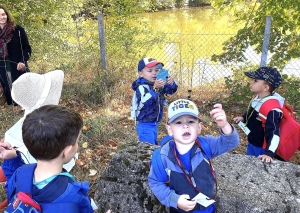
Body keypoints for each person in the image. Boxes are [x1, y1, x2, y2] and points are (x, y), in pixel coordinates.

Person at [148, 99, 239, 213]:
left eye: (191, 122)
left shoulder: (206, 145)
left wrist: (224, 125)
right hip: (179, 210)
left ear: (199, 127)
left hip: (208, 208)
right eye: (178, 122)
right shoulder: (162, 157)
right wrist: (174, 199)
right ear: (170, 129)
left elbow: (230, 142)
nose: (185, 126)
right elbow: (156, 182)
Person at [0, 105, 95, 212]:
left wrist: (12, 160)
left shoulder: (21, 173)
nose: (77, 145)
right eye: (77, 141)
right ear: (67, 151)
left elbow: (14, 192)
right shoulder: (74, 196)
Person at [233, 67, 284, 163]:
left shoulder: (272, 109)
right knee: (249, 164)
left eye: (255, 80)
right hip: (252, 141)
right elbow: (251, 112)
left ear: (265, 87)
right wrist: (243, 118)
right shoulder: (257, 98)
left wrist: (269, 153)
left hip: (262, 148)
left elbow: (274, 133)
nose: (251, 82)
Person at [132, 57, 178, 145]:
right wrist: (154, 89)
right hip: (145, 124)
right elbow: (145, 103)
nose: (154, 73)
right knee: (148, 147)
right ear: (141, 74)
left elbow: (170, 91)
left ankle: (153, 155)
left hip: (154, 122)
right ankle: (149, 158)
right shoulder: (142, 87)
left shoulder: (157, 84)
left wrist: (171, 83)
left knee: (154, 144)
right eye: (150, 71)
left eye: (156, 70)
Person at [0, 5, 31, 105]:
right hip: (2, 67)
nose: (1, 17)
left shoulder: (18, 30)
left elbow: (27, 48)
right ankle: (14, 105)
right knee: (8, 88)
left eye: (3, 14)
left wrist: (23, 61)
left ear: (7, 15)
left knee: (22, 87)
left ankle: (25, 106)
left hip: (18, 65)